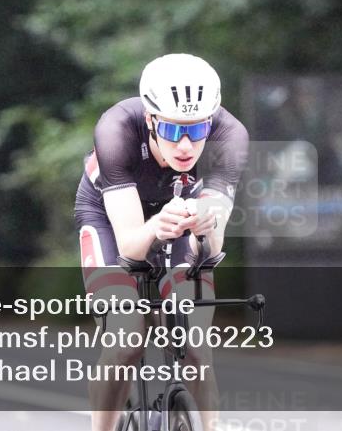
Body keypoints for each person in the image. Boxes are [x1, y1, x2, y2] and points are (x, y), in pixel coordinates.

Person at [76, 53, 249, 431]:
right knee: (127, 338)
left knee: (197, 348)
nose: (186, 145)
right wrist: (156, 227)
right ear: (151, 121)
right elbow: (129, 249)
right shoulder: (116, 129)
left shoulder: (230, 135)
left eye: (197, 130)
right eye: (173, 131)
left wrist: (206, 223)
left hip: (181, 215)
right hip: (112, 217)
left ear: (211, 123)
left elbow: (213, 248)